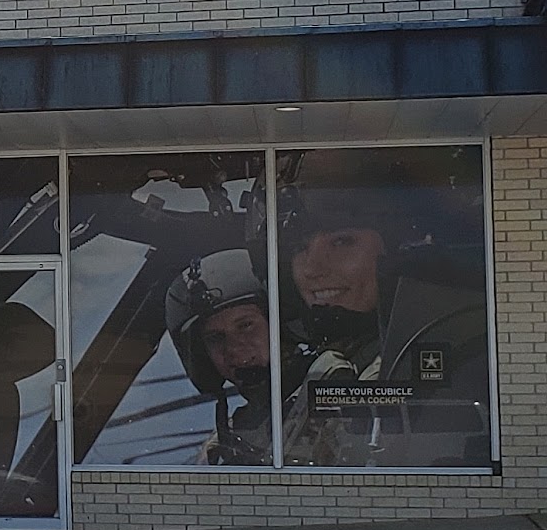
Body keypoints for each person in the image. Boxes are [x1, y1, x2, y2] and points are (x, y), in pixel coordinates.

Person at [266, 162, 491, 468]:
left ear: (401, 250)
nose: (312, 269)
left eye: (341, 241)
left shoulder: (460, 352)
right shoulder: (325, 367)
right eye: (300, 248)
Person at [164, 250, 279, 466]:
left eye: (246, 325)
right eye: (215, 338)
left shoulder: (326, 393)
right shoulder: (220, 447)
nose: (233, 348)